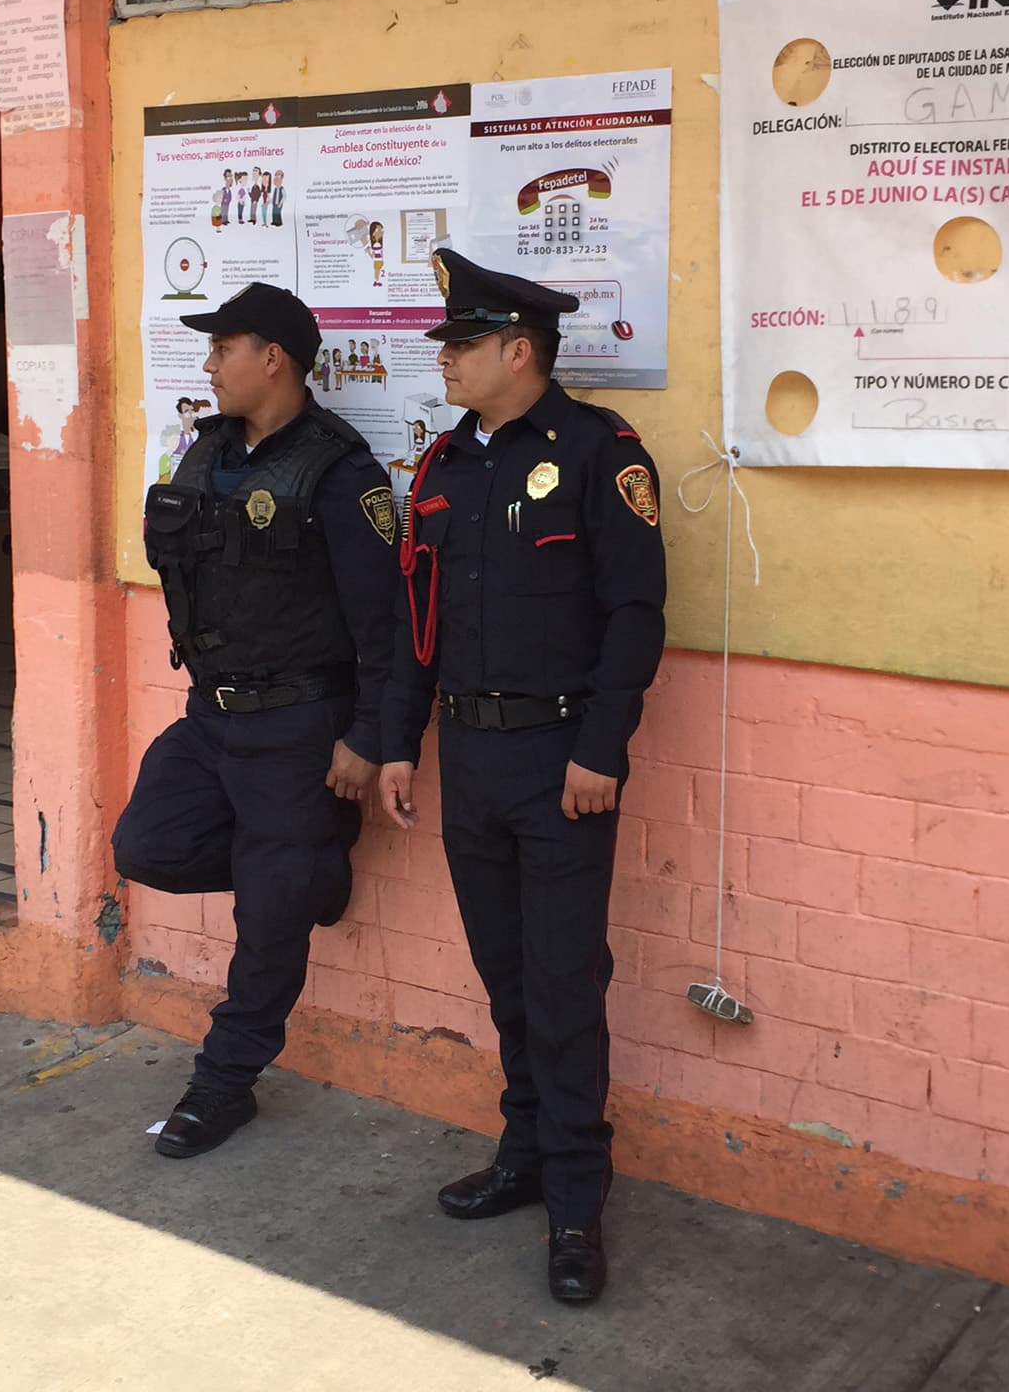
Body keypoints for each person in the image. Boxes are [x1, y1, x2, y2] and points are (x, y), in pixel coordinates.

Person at [378, 249, 666, 1306]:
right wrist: (399, 741)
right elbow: (419, 621)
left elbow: (636, 613)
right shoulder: (445, 464)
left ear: (517, 351)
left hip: (560, 762)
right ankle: (526, 1155)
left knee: (562, 986)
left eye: (462, 344)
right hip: (471, 758)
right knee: (508, 978)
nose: (445, 360)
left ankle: (577, 1204)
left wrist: (602, 749)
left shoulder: (598, 453)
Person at [114, 284, 399, 1160]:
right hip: (211, 715)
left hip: (299, 722)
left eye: (222, 348)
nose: (208, 365)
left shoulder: (341, 473)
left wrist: (368, 738)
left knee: (267, 927)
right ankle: (309, 870)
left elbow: (385, 625)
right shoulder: (206, 453)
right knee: (146, 847)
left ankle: (222, 1084)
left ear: (272, 358)